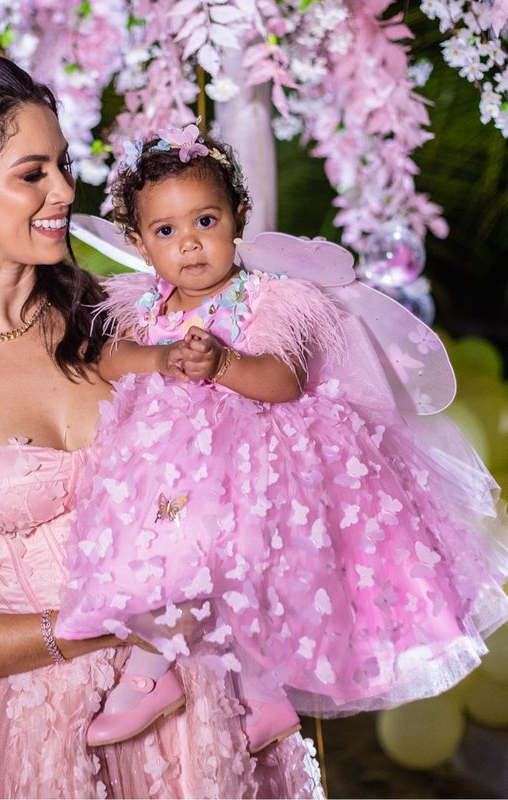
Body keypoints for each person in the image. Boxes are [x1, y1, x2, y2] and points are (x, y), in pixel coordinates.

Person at [0, 55, 324, 799]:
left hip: (205, 702)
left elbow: (263, 444)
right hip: (40, 727)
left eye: (64, 167)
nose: (65, 192)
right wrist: (103, 626)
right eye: (32, 173)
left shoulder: (130, 319)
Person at [55, 127, 508, 753]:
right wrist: (159, 360)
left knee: (241, 571)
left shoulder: (268, 297)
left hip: (258, 466)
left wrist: (220, 365)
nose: (188, 244)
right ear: (137, 242)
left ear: (238, 218)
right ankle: (253, 698)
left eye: (205, 221)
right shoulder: (146, 309)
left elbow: (282, 381)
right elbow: (110, 362)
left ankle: (163, 679)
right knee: (172, 562)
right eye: (165, 232)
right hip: (173, 470)